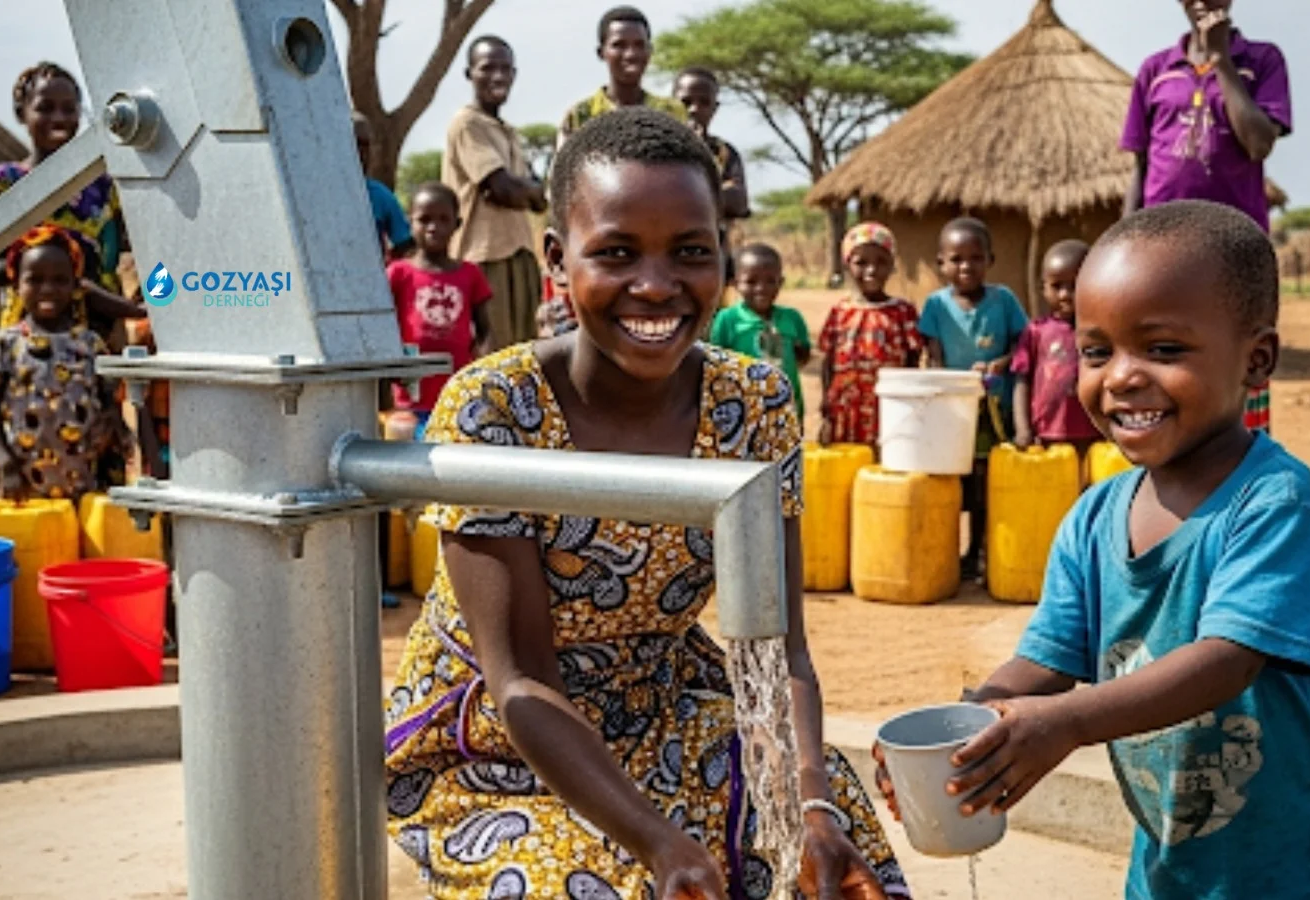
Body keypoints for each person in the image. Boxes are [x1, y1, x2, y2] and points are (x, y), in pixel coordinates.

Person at [385, 108, 905, 900]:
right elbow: (520, 677)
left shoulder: (754, 401)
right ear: (556, 259)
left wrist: (809, 805)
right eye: (617, 253)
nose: (657, 285)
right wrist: (657, 841)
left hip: (662, 707)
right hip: (496, 745)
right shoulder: (495, 408)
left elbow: (776, 653)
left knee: (826, 836)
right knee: (596, 883)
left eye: (691, 252)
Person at [874, 201, 1310, 900]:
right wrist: (976, 727)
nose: (1120, 376)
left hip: (1303, 875)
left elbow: (1228, 659)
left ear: (1256, 361)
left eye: (1164, 349)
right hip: (1168, 874)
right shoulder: (1094, 518)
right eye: (1097, 351)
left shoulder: (1275, 504)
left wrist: (1067, 724)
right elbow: (1046, 660)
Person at [1121, 0, 1291, 433]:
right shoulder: (1155, 69)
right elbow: (1139, 165)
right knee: (1164, 347)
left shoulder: (1262, 61)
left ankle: (1243, 458)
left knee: (1235, 347)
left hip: (1234, 246)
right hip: (1162, 246)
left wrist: (1222, 63)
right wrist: (1122, 242)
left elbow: (1258, 143)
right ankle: (1172, 450)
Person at [0, 63, 147, 341]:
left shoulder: (107, 187)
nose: (59, 118)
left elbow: (132, 253)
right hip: (29, 338)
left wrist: (143, 305)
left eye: (69, 109)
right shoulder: (4, 184)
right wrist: (79, 287)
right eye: (45, 108)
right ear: (21, 113)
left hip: (98, 335)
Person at [0, 226, 129, 502]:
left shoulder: (91, 345)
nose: (48, 289)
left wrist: (118, 439)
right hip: (22, 482)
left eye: (60, 280)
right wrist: (4, 460)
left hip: (84, 484)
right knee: (29, 545)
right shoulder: (3, 346)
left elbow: (108, 405)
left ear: (76, 285)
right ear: (16, 284)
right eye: (35, 280)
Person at [918, 217, 1028, 579]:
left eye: (975, 258)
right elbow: (933, 357)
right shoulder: (936, 306)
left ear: (990, 260)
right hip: (951, 410)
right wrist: (950, 384)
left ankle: (976, 552)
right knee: (952, 482)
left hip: (992, 409)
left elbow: (1020, 346)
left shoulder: (1004, 300)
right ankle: (949, 551)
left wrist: (1000, 363)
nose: (966, 266)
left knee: (983, 482)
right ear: (941, 263)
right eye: (957, 259)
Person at [443, 36, 547, 348]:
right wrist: (523, 191)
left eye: (505, 68)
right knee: (491, 359)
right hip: (483, 255)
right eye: (488, 68)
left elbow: (539, 200)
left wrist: (524, 191)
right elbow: (501, 188)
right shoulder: (467, 124)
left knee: (524, 354)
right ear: (469, 74)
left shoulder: (508, 131)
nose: (498, 76)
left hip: (520, 252)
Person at [386, 183, 495, 437]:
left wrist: (485, 373)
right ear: (409, 223)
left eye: (443, 219)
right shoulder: (398, 273)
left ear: (457, 225)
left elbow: (485, 331)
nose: (434, 227)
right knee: (412, 461)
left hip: (456, 392)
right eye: (424, 219)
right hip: (411, 397)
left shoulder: (470, 274)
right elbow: (383, 330)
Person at [817, 223, 922, 447]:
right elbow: (828, 362)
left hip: (889, 404)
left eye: (881, 262)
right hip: (845, 407)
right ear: (847, 265)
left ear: (892, 266)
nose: (871, 270)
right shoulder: (840, 312)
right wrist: (827, 406)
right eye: (861, 262)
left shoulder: (903, 312)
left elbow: (913, 359)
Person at [1011, 240, 1101, 454]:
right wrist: (1023, 428)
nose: (1065, 295)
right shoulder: (1036, 331)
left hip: (1095, 434)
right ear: (1043, 288)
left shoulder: (1102, 331)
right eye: (1057, 286)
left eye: (1074, 285)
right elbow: (1022, 382)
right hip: (1047, 434)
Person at [556, 6, 687, 149]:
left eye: (639, 45)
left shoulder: (671, 113)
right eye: (619, 45)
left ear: (650, 51)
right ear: (601, 52)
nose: (630, 54)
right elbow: (563, 169)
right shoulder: (581, 115)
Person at [709, 243, 811, 416]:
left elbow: (802, 356)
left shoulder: (792, 318)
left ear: (781, 282)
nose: (761, 289)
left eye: (770, 281)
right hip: (744, 408)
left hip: (786, 407)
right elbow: (715, 364)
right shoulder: (728, 319)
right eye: (751, 281)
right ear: (735, 283)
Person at [673, 66, 750, 274]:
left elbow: (738, 202)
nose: (694, 110)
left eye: (704, 102)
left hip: (716, 256)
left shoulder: (724, 153)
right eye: (686, 102)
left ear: (714, 108)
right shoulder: (658, 151)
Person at [353, 111, 416, 260]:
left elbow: (404, 245)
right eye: (355, 144)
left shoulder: (380, 195)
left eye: (366, 146)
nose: (362, 154)